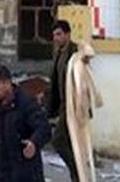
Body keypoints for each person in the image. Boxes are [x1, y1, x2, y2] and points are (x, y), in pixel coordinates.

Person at [0, 64, 51, 182]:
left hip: (24, 173)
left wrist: (34, 143)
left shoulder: (26, 103)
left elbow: (44, 128)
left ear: (7, 83)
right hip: (1, 172)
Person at [47, 20, 79, 181]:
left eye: (59, 34)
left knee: (58, 141)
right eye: (54, 35)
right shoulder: (59, 53)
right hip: (63, 105)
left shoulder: (75, 52)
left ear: (67, 34)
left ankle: (77, 171)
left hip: (73, 105)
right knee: (69, 143)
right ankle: (76, 175)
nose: (56, 38)